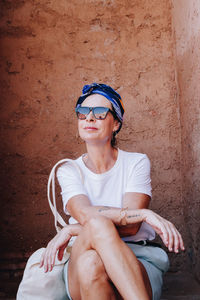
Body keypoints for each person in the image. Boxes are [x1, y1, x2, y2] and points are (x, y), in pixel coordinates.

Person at [40, 83, 185, 300]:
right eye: (82, 112)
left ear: (116, 123)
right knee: (90, 249)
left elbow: (132, 228)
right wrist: (144, 214)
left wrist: (70, 230)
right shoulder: (68, 169)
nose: (89, 118)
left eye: (99, 113)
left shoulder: (136, 163)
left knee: (93, 259)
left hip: (136, 257)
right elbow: (85, 215)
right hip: (81, 259)